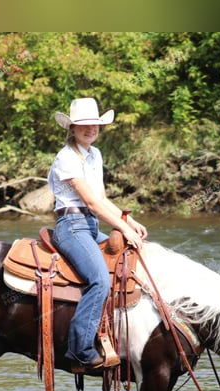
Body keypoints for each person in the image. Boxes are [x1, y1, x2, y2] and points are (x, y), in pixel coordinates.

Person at [47, 97, 148, 369]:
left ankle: (116, 335)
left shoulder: (95, 155)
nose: (91, 129)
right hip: (72, 226)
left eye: (95, 124)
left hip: (91, 226)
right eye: (84, 125)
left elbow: (101, 199)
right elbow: (90, 203)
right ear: (72, 128)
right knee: (100, 280)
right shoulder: (66, 158)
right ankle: (79, 350)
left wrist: (128, 220)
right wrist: (123, 227)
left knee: (131, 263)